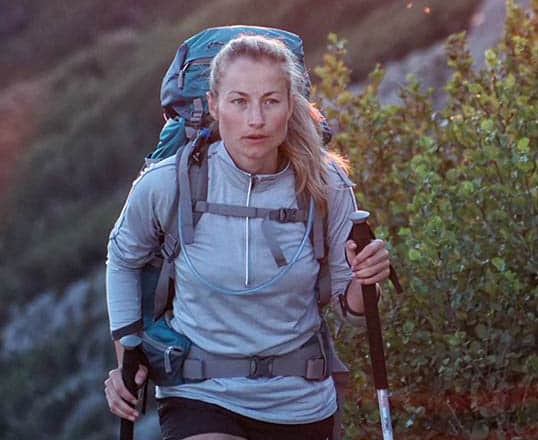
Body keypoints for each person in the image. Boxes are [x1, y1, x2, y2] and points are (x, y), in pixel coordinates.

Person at [104, 34, 392, 440]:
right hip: (199, 394)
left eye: (270, 101)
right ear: (214, 105)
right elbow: (122, 257)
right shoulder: (170, 182)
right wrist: (127, 351)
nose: (255, 119)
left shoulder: (327, 186)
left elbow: (352, 309)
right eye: (239, 101)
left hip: (301, 400)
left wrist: (367, 281)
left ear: (291, 106)